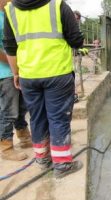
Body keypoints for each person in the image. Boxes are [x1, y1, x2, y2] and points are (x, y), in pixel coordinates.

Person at [3, 0, 84, 178]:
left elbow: (9, 46)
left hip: (29, 76)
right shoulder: (58, 5)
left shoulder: (10, 10)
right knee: (58, 118)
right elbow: (76, 40)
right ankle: (62, 165)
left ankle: (43, 159)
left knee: (37, 117)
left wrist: (16, 73)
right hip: (57, 73)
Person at [0, 0, 31, 161]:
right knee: (8, 111)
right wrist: (13, 65)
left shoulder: (9, 14)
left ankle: (24, 137)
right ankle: (6, 147)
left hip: (17, 70)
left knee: (22, 106)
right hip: (5, 72)